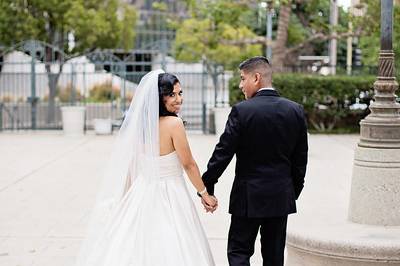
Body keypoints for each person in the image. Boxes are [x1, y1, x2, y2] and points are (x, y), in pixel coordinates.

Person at [75, 70, 217, 266]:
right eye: (172, 95)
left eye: (180, 93)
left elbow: (133, 165)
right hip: (171, 193)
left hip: (143, 190)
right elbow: (188, 163)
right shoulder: (174, 124)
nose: (178, 99)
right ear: (160, 98)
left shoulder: (142, 126)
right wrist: (204, 193)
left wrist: (125, 198)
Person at [202, 56, 308, 266]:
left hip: (248, 197)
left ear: (256, 77)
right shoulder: (295, 110)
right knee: (274, 256)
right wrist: (291, 191)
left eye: (243, 78)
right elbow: (300, 160)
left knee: (239, 252)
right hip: (280, 196)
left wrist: (208, 185)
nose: (241, 85)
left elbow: (223, 153)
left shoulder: (242, 111)